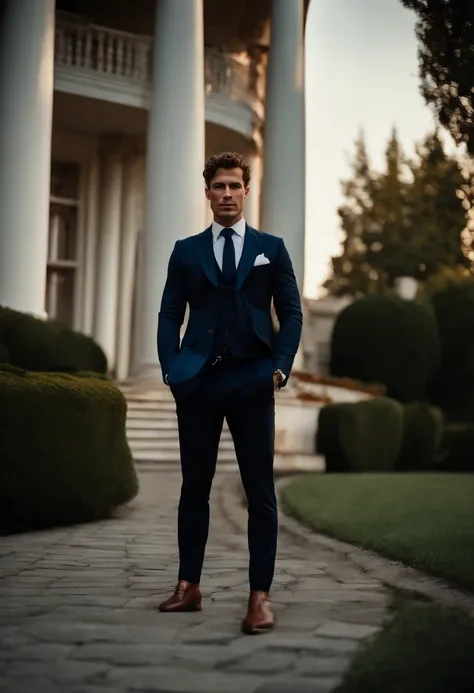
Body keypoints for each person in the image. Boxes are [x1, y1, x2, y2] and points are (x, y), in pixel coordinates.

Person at [157, 151, 302, 634]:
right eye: (217, 186)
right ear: (207, 193)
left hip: (252, 380)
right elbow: (168, 314)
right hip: (198, 381)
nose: (225, 194)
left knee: (260, 492)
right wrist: (170, 369)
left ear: (245, 190)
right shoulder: (186, 250)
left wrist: (279, 370)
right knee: (193, 489)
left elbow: (292, 314)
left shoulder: (271, 248)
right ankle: (188, 586)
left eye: (233, 186)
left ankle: (259, 595)